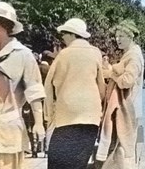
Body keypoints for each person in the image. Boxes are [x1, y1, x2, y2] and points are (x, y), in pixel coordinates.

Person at [44, 18, 105, 169]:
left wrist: (49, 116)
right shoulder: (95, 53)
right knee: (80, 163)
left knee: (57, 163)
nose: (63, 37)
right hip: (91, 117)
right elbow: (101, 86)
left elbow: (48, 87)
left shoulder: (63, 55)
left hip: (67, 117)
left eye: (64, 34)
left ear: (72, 34)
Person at [0, 1, 45, 169]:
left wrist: (38, 123)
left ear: (6, 26)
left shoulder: (23, 55)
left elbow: (34, 90)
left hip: (8, 129)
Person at [96, 19, 144, 168]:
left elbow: (127, 80)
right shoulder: (129, 54)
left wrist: (111, 74)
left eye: (122, 36)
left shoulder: (133, 56)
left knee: (124, 147)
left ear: (131, 36)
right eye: (117, 36)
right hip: (129, 106)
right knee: (123, 146)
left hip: (128, 108)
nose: (118, 39)